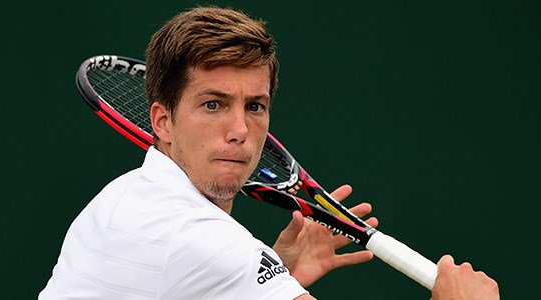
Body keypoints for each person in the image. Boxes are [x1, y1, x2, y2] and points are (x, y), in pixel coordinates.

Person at [39, 6, 498, 299]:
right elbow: (210, 260)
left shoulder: (120, 197)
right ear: (162, 121)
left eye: (255, 106)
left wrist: (276, 279)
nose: (240, 130)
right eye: (213, 104)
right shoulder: (205, 242)